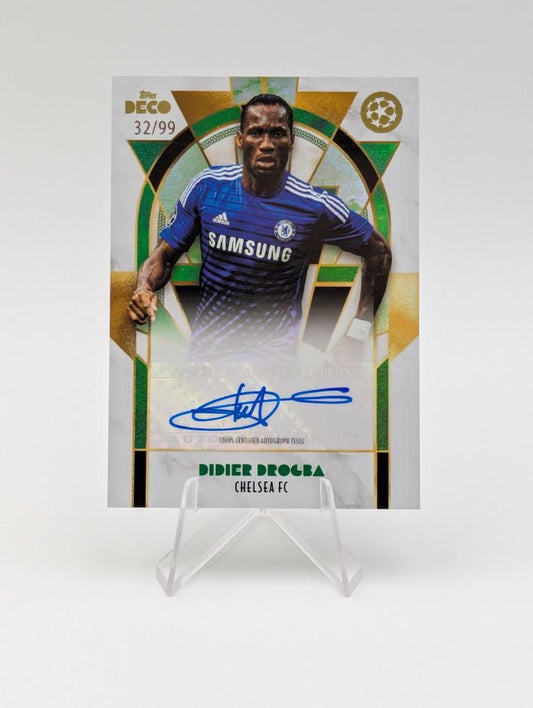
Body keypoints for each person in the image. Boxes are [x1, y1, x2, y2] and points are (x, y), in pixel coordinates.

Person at [128, 93, 391, 362]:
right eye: (256, 133)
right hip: (207, 356)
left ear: (291, 141)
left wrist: (358, 333)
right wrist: (144, 288)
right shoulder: (208, 187)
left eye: (278, 134)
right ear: (240, 140)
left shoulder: (315, 205)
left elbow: (379, 252)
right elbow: (164, 255)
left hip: (272, 361)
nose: (267, 144)